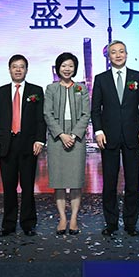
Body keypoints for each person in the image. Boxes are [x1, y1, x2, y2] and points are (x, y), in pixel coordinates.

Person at [91, 40, 139, 237]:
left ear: (126, 54)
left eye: (121, 51)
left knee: (132, 182)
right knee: (109, 183)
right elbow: (95, 109)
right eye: (114, 52)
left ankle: (131, 224)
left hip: (133, 136)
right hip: (108, 137)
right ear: (108, 56)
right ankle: (111, 223)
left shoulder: (137, 77)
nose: (118, 55)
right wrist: (98, 131)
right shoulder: (101, 79)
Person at [0, 55, 46, 237]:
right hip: (7, 144)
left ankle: (28, 224)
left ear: (26, 70)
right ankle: (8, 224)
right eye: (14, 66)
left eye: (21, 67)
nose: (18, 70)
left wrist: (40, 140)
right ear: (9, 69)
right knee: (9, 187)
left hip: (28, 144)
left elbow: (41, 118)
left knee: (28, 186)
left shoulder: (36, 91)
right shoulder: (0, 92)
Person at [43, 53, 90, 235]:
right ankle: (62, 218)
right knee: (59, 181)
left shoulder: (81, 88)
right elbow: (47, 114)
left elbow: (86, 114)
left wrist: (74, 134)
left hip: (77, 139)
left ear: (75, 68)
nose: (67, 69)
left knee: (76, 181)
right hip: (57, 139)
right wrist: (62, 135)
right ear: (58, 68)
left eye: (70, 65)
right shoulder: (51, 89)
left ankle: (74, 219)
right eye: (63, 65)